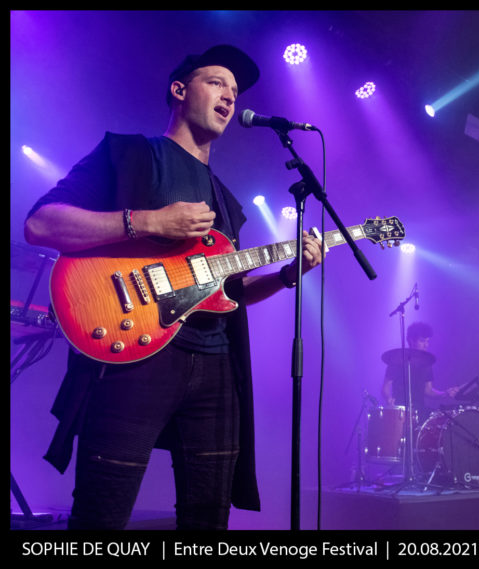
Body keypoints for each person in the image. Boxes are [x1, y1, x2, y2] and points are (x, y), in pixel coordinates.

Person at [23, 45, 324, 530]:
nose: (230, 96)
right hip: (134, 354)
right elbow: (41, 224)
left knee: (208, 523)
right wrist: (148, 221)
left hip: (216, 366)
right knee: (101, 517)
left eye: (235, 90)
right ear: (180, 90)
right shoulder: (127, 154)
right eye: (217, 82)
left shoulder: (227, 201)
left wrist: (288, 275)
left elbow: (230, 292)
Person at [382, 322, 457, 419]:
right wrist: (388, 398)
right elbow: (386, 387)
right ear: (411, 340)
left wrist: (444, 393)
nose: (426, 345)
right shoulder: (397, 360)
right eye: (422, 341)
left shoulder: (427, 363)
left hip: (420, 412)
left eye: (427, 341)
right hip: (400, 412)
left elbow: (428, 390)